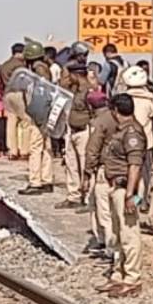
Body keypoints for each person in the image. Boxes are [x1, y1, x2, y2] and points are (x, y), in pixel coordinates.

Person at [99, 94, 146, 297]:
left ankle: (132, 277)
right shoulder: (123, 131)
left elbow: (135, 165)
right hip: (116, 187)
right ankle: (118, 273)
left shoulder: (132, 132)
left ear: (116, 111)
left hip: (127, 188)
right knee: (118, 234)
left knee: (129, 233)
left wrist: (130, 195)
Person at [121, 66, 153, 231]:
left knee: (129, 174)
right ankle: (140, 202)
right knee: (144, 177)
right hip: (146, 144)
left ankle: (129, 202)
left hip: (126, 143)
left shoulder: (122, 98)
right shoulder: (149, 98)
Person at [80, 90, 117, 257]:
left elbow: (92, 150)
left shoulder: (98, 122)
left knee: (102, 211)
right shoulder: (118, 117)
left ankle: (108, 248)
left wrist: (87, 174)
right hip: (120, 170)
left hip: (103, 171)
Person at [18, 42, 55, 195]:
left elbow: (39, 94)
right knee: (46, 148)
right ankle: (46, 179)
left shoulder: (37, 72)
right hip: (46, 113)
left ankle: (35, 182)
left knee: (35, 147)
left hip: (39, 114)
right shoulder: (46, 70)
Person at [58, 63, 93, 208]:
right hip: (72, 131)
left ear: (77, 75)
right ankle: (74, 196)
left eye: (70, 75)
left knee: (86, 166)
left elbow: (94, 113)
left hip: (85, 131)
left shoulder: (89, 91)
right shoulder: (72, 90)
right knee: (71, 165)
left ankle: (88, 198)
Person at [0, 43, 26, 159]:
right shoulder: (21, 66)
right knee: (26, 121)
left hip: (7, 94)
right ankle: (25, 150)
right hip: (18, 93)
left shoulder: (4, 65)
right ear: (19, 53)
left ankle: (12, 150)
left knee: (11, 122)